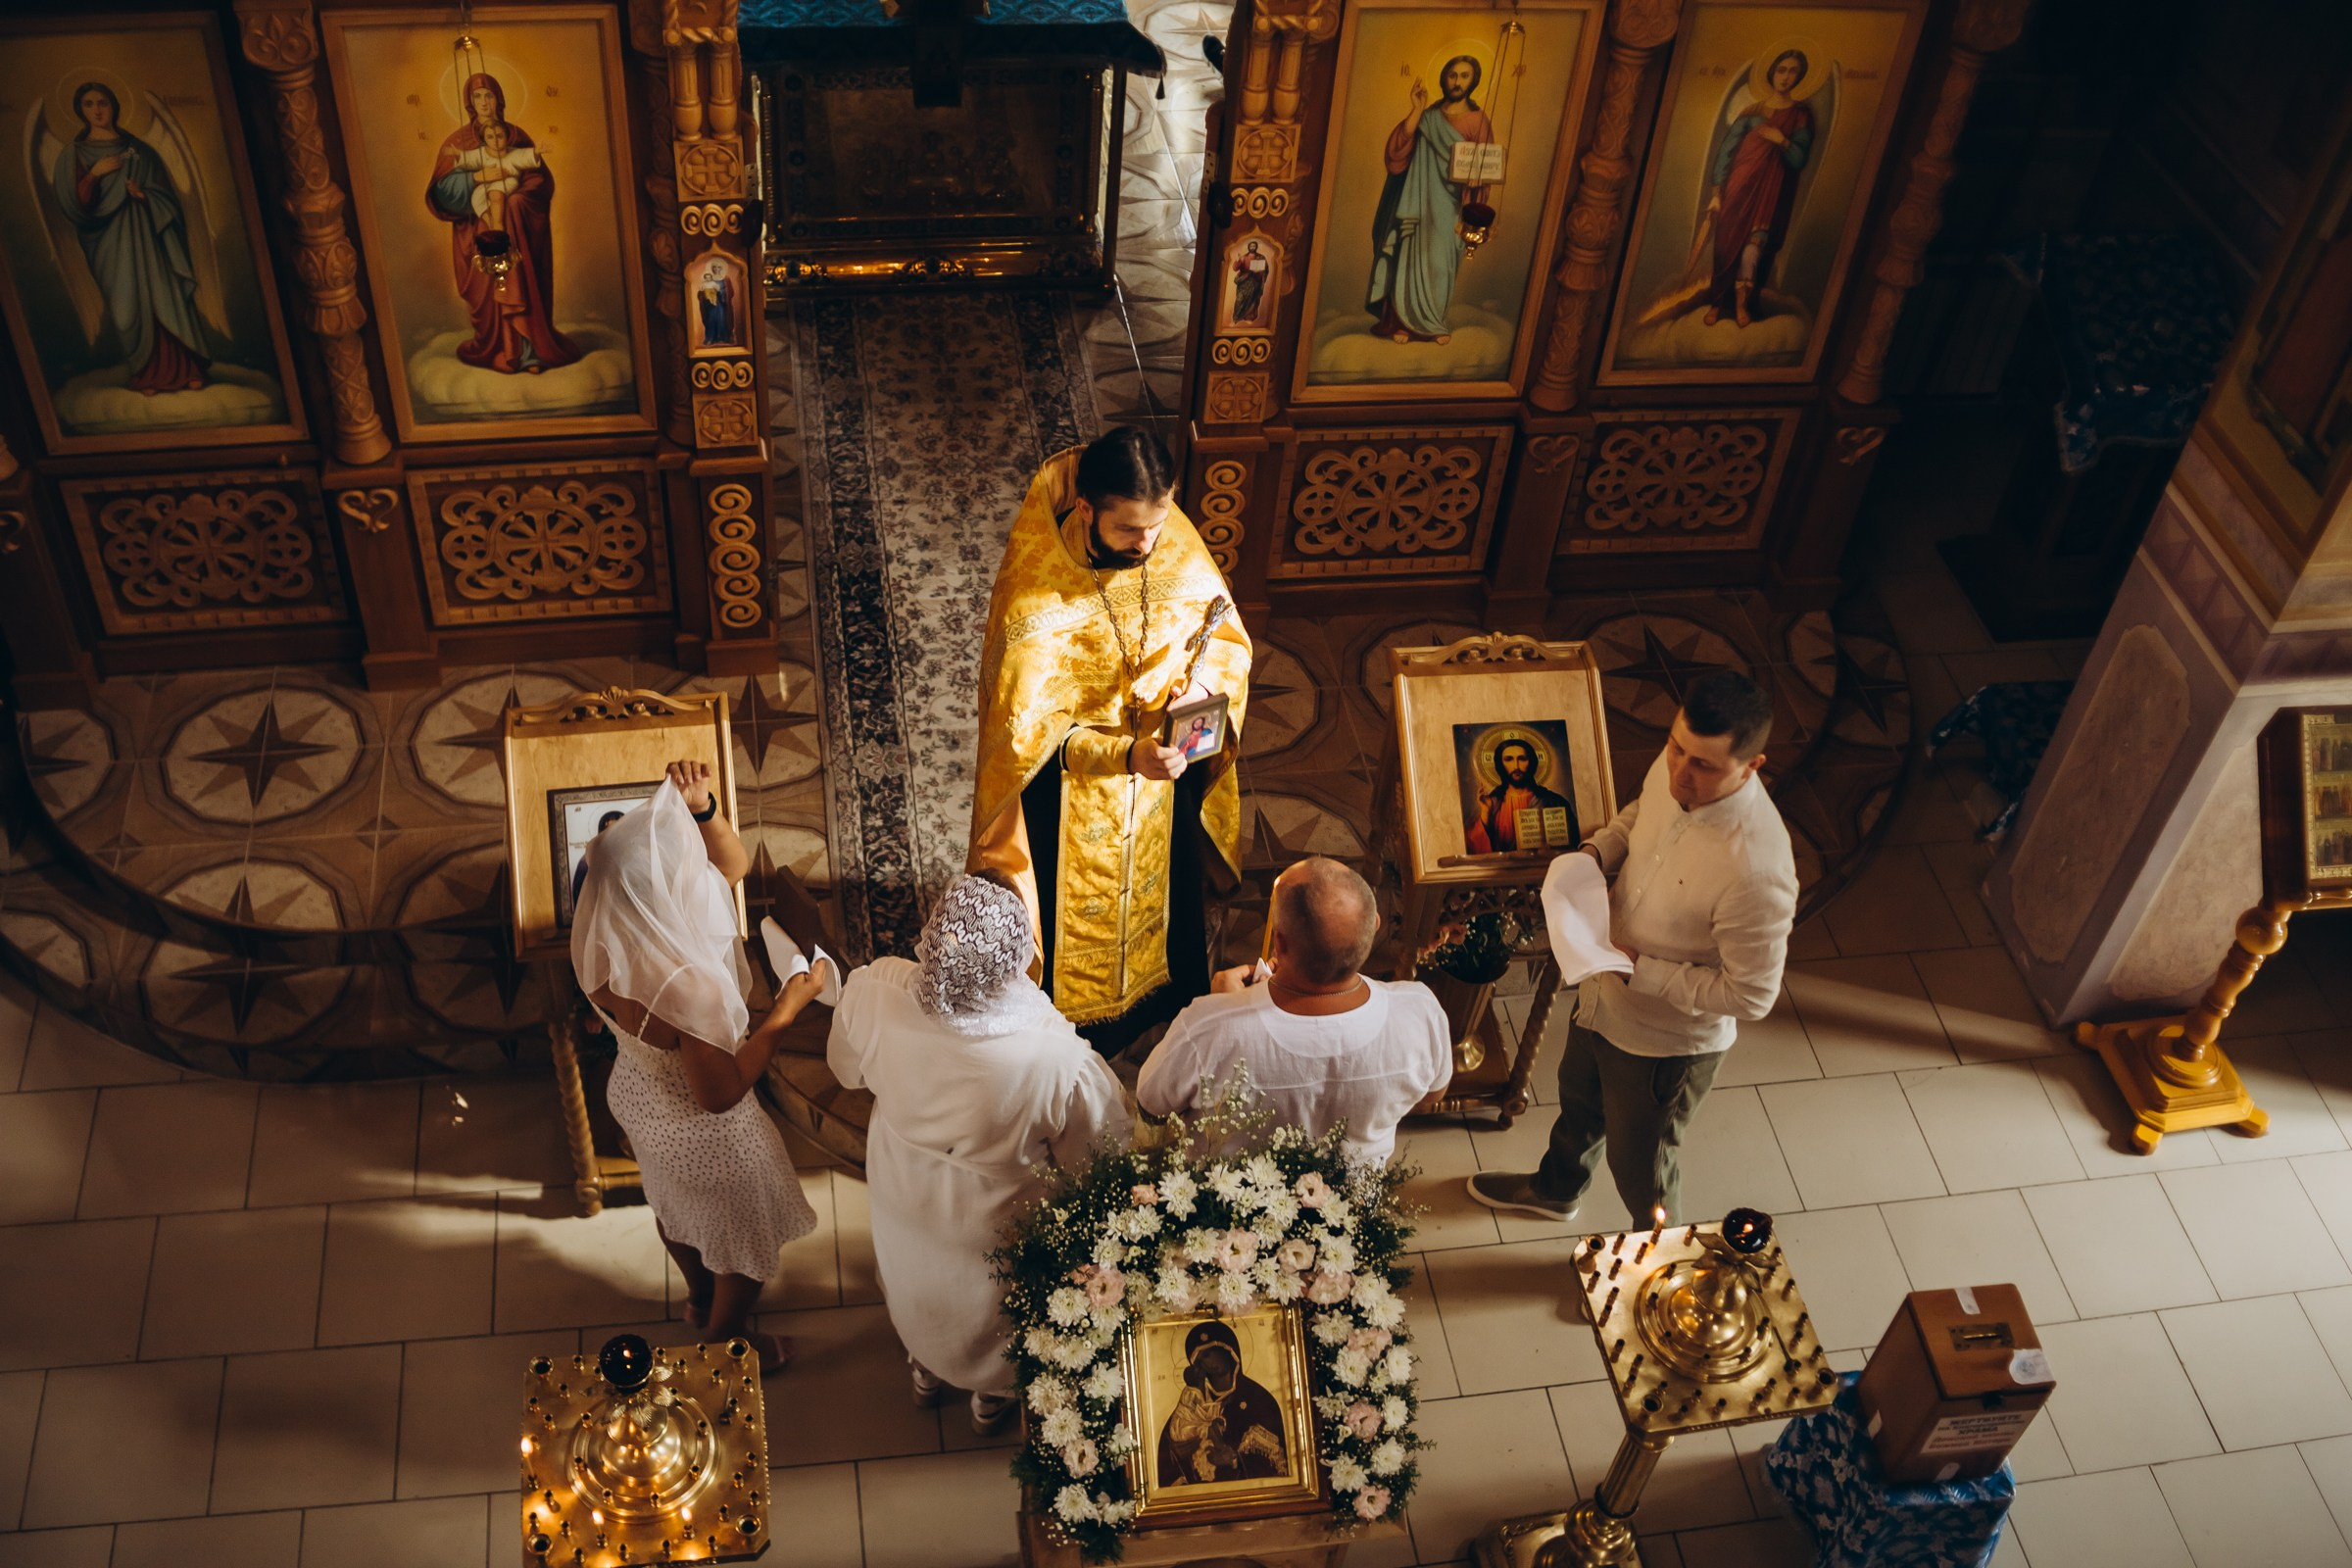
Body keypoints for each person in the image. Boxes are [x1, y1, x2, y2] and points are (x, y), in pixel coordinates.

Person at [1467, 671, 1796, 1224]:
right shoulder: (1673, 769)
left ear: (1752, 766)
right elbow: (1641, 815)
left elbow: (1752, 995)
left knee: (1640, 1163)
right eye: (1675, 750)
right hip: (1602, 992)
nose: (1679, 774)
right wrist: (1597, 852)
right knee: (1577, 1103)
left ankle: (1657, 1266)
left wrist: (1639, 970)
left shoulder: (1758, 871)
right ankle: (1557, 1189)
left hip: (1662, 1044)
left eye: (1702, 766)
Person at [969, 425, 1253, 1053]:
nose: (1148, 543)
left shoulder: (1171, 544)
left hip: (1161, 787)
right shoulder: (1036, 596)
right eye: (1129, 529)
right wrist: (1127, 755)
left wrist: (1200, 693)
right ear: (1087, 508)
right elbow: (1028, 743)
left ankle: (1165, 1000)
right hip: (1068, 802)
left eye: (1157, 523)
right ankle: (1070, 1036)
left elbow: (1225, 641)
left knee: (1168, 906)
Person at [826, 871, 1132, 1433]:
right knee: (988, 1303)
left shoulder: (875, 989)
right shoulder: (1055, 1058)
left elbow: (845, 1070)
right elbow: (1101, 1158)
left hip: (904, 1181)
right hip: (998, 1211)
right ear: (1015, 960)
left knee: (918, 1273)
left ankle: (924, 1365)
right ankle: (992, 1397)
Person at [570, 761, 823, 1375]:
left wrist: (705, 810)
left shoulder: (605, 939)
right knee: (742, 1241)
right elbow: (720, 1092)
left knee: (675, 1209)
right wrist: (786, 1010)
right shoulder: (688, 990)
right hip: (707, 1133)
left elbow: (729, 868)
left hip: (640, 1100)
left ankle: (696, 1295)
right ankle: (725, 1336)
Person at [1137, 858, 1449, 1165]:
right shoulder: (1419, 1012)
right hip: (1352, 1206)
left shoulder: (1207, 1025)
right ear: (1374, 926)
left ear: (1280, 944)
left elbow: (1152, 1106)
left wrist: (1223, 1009)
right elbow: (1431, 1096)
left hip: (1227, 1204)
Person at [49, 81, 228, 393]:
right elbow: (73, 207)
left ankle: (187, 369)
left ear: (114, 106)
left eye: (102, 102)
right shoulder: (73, 156)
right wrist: (94, 174)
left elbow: (169, 202)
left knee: (164, 297)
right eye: (89, 104)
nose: (97, 110)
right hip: (109, 246)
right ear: (80, 110)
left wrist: (144, 196)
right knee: (128, 305)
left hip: (150, 240)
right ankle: (147, 374)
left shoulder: (141, 151)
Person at [425, 73, 580, 373]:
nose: (484, 102)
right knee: (488, 290)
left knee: (520, 278)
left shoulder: (516, 136)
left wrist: (517, 202)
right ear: (469, 103)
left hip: (517, 230)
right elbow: (442, 192)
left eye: (489, 95)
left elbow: (539, 179)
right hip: (477, 233)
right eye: (477, 97)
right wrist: (476, 178)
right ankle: (496, 347)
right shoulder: (459, 142)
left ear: (499, 99)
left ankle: (529, 353)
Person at [1366, 54, 1494, 344]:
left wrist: (1477, 181)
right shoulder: (1428, 117)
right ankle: (1402, 323)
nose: (1458, 81)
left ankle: (1434, 324)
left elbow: (1487, 166)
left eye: (1464, 76)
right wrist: (1417, 108)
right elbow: (1398, 152)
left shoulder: (1478, 121)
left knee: (1440, 263)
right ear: (1444, 78)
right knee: (1409, 259)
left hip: (1451, 205)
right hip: (1417, 201)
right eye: (1453, 75)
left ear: (1474, 81)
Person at [1701, 50, 1815, 328]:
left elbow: (1800, 159)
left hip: (1770, 195)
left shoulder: (1801, 116)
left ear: (1799, 77)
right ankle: (1718, 302)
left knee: (1753, 251)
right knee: (1726, 248)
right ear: (1771, 72)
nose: (1785, 77)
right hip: (1737, 190)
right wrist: (1717, 193)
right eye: (1781, 70)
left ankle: (1742, 305)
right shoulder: (1751, 113)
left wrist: (1782, 141)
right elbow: (1726, 153)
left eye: (1792, 72)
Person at [1158, 1319, 1288, 1486]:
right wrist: (1175, 1454)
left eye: (1211, 1352)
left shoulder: (1257, 1398)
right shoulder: (1192, 1404)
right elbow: (1167, 1453)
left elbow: (1277, 1464)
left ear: (1228, 1350)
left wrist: (1234, 1460)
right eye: (1201, 1358)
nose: (1208, 1361)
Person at [1465, 737, 1575, 855]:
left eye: (1522, 759)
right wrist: (1486, 813)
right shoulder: (1492, 803)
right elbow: (1474, 848)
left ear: (1531, 762)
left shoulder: (1554, 802)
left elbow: (1571, 845)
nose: (1516, 766)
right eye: (1509, 759)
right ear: (1500, 764)